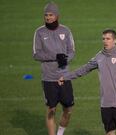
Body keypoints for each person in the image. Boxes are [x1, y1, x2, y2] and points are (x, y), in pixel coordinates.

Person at [33, 2, 75, 135]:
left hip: (64, 77)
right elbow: (36, 54)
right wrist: (55, 56)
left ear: (56, 16)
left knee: (68, 109)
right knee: (51, 110)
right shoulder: (39, 32)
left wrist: (65, 59)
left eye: (50, 15)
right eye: (46, 15)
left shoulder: (65, 31)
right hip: (48, 78)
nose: (48, 17)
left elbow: (72, 51)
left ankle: (60, 132)